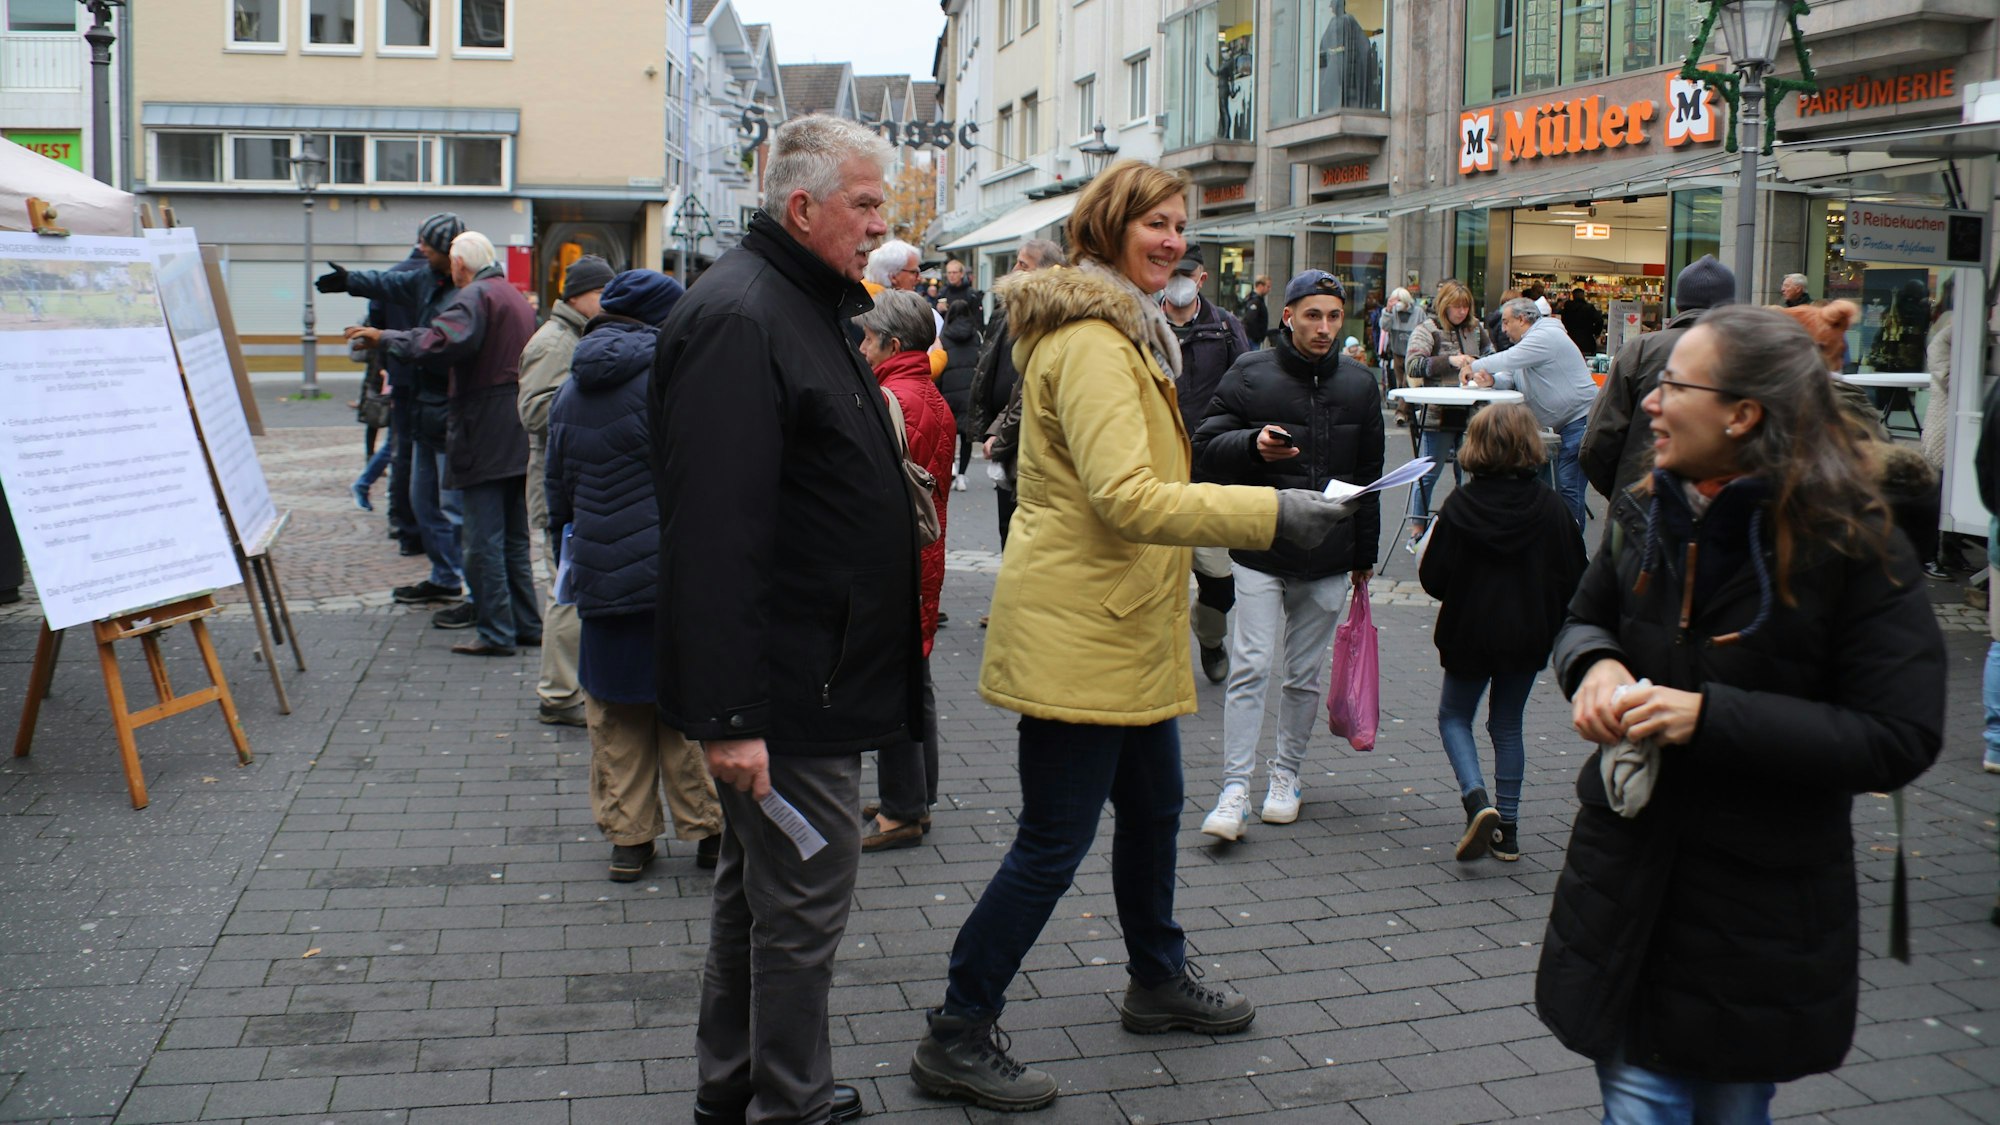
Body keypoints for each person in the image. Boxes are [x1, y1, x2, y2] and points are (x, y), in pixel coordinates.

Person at [907, 160, 1356, 1113]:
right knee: (1052, 841)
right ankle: (956, 1027)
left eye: (1180, 224)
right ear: (1109, 227)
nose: (1174, 240)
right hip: (1085, 627)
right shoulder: (1097, 342)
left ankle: (1156, 976)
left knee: (1155, 808)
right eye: (1156, 222)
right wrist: (1272, 517)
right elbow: (1125, 496)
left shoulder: (1125, 329)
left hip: (1122, 623)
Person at [1541, 305, 1944, 1121]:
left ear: (1742, 414)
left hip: (1756, 917)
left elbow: (1898, 735)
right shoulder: (1647, 508)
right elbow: (1584, 621)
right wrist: (1596, 665)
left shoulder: (1856, 541)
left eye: (1673, 385)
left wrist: (1707, 717)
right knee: (1639, 1101)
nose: (1648, 401)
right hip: (1627, 893)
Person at [649, 114, 911, 1125]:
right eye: (866, 203)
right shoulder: (747, 317)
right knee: (799, 907)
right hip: (791, 680)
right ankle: (789, 1106)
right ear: (801, 208)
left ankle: (741, 1086)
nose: (881, 225)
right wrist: (729, 714)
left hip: (810, 667)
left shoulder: (795, 304)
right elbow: (716, 533)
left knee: (759, 899)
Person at [1191, 269, 1382, 841]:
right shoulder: (1251, 372)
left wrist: (1363, 556)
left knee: (1303, 675)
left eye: (1332, 316)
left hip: (1328, 551)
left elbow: (1369, 476)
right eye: (1312, 315)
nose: (1324, 328)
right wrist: (1253, 445)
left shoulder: (1359, 383)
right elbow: (1204, 450)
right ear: (1288, 316)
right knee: (1251, 664)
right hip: (1260, 544)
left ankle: (1286, 775)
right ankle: (1232, 788)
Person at [543, 268, 721, 879]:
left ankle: (630, 840)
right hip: (672, 573)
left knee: (615, 712)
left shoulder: (572, 386)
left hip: (600, 574)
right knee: (684, 707)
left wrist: (573, 554)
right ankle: (709, 831)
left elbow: (557, 491)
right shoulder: (672, 379)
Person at [350, 232, 540, 656]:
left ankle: (496, 632)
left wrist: (385, 338)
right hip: (512, 427)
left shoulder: (475, 297)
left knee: (483, 539)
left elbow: (438, 342)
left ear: (458, 265)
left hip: (484, 429)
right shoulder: (509, 294)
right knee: (512, 538)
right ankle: (526, 624)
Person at [1417, 403, 1585, 861]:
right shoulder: (1551, 508)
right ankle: (1507, 829)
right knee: (1507, 724)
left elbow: (1434, 579)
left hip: (1468, 631)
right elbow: (1575, 575)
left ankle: (1476, 800)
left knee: (1454, 716)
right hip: (1528, 634)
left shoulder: (1461, 505)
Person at [853, 289, 954, 852]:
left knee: (898, 682)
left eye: (868, 338)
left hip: (898, 557)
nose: (862, 347)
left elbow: (878, 491)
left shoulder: (894, 397)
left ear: (893, 343)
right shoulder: (927, 394)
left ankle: (903, 810)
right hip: (924, 554)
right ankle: (915, 796)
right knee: (915, 679)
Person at [322, 216, 465, 606]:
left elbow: (435, 344)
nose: (420, 251)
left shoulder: (468, 293)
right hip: (421, 405)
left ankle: (469, 586)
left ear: (449, 253)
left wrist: (383, 337)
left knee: (451, 505)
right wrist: (350, 281)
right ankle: (444, 576)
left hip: (452, 411)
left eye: (428, 247)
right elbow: (389, 283)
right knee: (424, 500)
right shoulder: (424, 277)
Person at [517, 254, 612, 725]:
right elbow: (533, 412)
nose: (607, 302)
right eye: (602, 293)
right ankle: (557, 693)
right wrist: (585, 394)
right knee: (564, 588)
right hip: (554, 483)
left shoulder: (574, 335)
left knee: (569, 584)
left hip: (567, 478)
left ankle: (566, 687)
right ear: (578, 295)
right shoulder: (555, 341)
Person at [1163, 244, 1252, 684]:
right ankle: (1158, 658)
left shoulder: (1225, 327)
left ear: (1202, 279)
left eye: (1186, 274)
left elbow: (1249, 387)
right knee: (1158, 578)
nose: (1177, 281)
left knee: (1218, 580)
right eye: (1170, 272)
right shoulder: (1141, 325)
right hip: (1157, 474)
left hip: (1213, 472)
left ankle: (1211, 637)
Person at [1580, 254, 1734, 503]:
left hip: (1641, 506)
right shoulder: (1747, 354)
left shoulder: (1640, 349)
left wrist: (1625, 494)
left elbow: (1598, 441)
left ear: (1678, 304)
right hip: (1722, 514)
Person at [1452, 296, 1597, 533]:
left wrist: (1474, 366)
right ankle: (1555, 546)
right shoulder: (1528, 345)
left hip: (1578, 420)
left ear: (1522, 319)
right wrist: (1492, 381)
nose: (1504, 328)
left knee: (1568, 488)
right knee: (1552, 487)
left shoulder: (1545, 335)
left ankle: (1572, 551)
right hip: (1563, 424)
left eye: (1507, 322)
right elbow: (1511, 374)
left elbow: (1509, 360)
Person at [969, 238, 1067, 560]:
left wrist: (1001, 434)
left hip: (1027, 439)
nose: (1013, 271)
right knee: (1006, 527)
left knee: (1026, 532)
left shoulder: (1054, 319)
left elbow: (1029, 388)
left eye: (1023, 265)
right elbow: (990, 368)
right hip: (1004, 434)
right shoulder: (1006, 312)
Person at [1401, 279, 1495, 540]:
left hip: (1474, 411)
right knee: (1429, 472)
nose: (1462, 312)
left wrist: (1480, 366)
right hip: (1438, 412)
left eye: (1466, 307)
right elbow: (1414, 365)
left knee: (1471, 470)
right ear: (1444, 306)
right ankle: (1417, 528)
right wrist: (1450, 361)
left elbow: (1492, 357)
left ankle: (1468, 525)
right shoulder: (1427, 330)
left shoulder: (1477, 330)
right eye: (1456, 307)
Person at [938, 297, 981, 492]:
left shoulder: (944, 336)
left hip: (948, 389)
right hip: (969, 391)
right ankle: (962, 475)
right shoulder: (976, 335)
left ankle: (951, 468)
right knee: (966, 437)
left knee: (947, 436)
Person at [1317, 0, 1381, 110]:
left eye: (1333, 6)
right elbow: (1324, 43)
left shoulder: (1348, 19)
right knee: (1327, 84)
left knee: (1340, 84)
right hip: (1334, 59)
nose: (1331, 8)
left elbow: (1363, 42)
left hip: (1345, 59)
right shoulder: (1332, 21)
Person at [1379, 287, 1424, 426]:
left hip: (1413, 353)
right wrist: (1387, 310)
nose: (1397, 303)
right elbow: (1384, 327)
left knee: (1407, 383)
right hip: (1397, 352)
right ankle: (1410, 414)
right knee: (1401, 384)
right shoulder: (1391, 312)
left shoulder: (1418, 312)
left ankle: (1401, 413)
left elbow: (1425, 329)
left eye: (1400, 300)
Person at [936, 256, 984, 334]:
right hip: (946, 337)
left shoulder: (972, 294)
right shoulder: (942, 292)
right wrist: (939, 310)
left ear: (962, 274)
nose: (951, 275)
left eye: (954, 272)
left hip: (968, 338)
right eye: (949, 273)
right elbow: (936, 319)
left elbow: (978, 321)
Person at [1560, 286, 1604, 358]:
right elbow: (1599, 320)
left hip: (1570, 341)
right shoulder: (1589, 308)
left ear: (1573, 296)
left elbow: (1563, 322)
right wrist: (1596, 333)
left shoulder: (1567, 308)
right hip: (1587, 342)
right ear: (1583, 296)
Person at [1240, 274, 1271, 348]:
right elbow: (1250, 320)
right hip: (1252, 340)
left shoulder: (1256, 300)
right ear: (1260, 286)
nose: (1269, 289)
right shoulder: (1255, 301)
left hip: (1254, 339)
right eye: (1268, 286)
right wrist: (1256, 337)